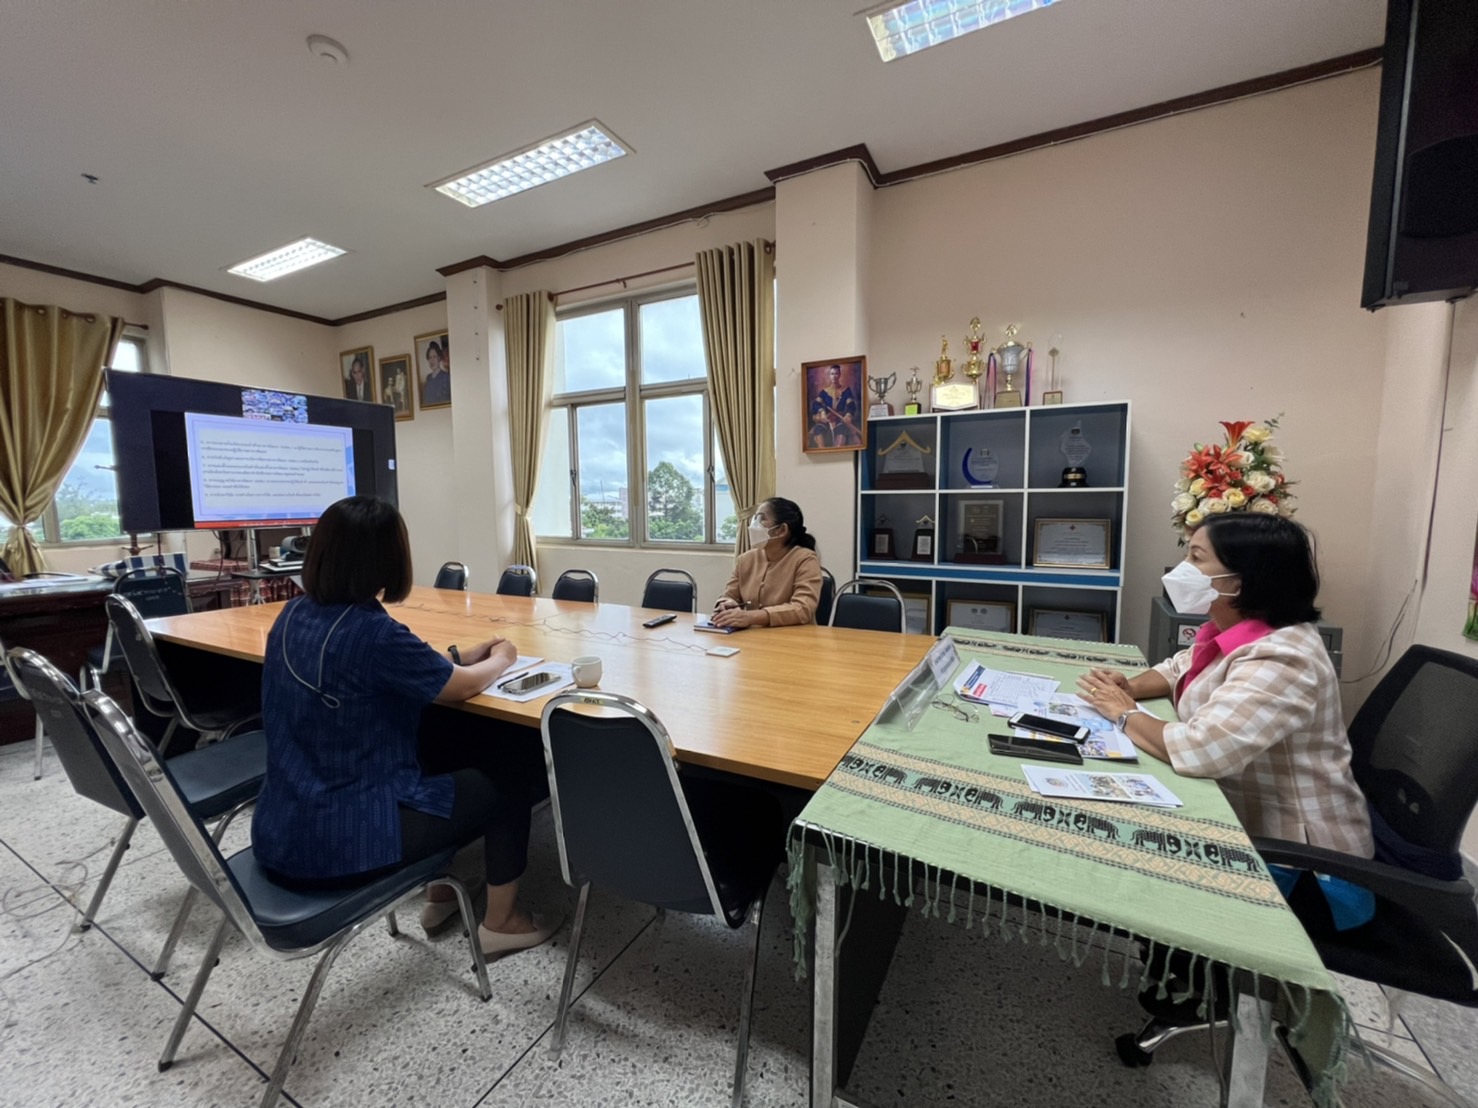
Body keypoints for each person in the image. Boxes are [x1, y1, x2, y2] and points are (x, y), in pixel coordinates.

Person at [250, 496, 557, 957]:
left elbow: (396, 670)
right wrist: (502, 658)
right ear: (389, 559)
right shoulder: (375, 633)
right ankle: (502, 923)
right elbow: (461, 687)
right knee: (511, 771)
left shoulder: (294, 614)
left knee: (439, 741)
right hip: (346, 840)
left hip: (281, 829)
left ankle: (442, 894)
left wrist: (457, 656)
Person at [1076, 512, 1372, 856]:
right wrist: (1128, 688)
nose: (1182, 568)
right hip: (1242, 813)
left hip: (1298, 851)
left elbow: (1203, 750)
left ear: (1240, 580)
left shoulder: (1284, 657)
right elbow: (1176, 668)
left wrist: (1124, 713)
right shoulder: (1233, 629)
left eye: (1196, 558)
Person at [711, 497, 822, 627]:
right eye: (755, 519)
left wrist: (752, 617)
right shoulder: (745, 559)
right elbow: (729, 595)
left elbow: (802, 608)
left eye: (761, 519)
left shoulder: (806, 559)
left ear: (782, 530)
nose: (754, 525)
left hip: (793, 636)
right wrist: (726, 604)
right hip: (753, 635)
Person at [809, 363, 860, 448]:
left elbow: (851, 405)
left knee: (842, 429)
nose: (834, 376)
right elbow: (816, 404)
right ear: (829, 375)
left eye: (836, 373)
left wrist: (848, 415)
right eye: (832, 374)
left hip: (840, 420)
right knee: (818, 429)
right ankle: (822, 452)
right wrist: (822, 412)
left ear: (839, 375)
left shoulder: (846, 390)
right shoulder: (824, 392)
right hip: (827, 420)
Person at [421, 340, 451, 406]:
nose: (432, 360)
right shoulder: (428, 378)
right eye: (430, 357)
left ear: (439, 358)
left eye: (434, 357)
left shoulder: (446, 377)